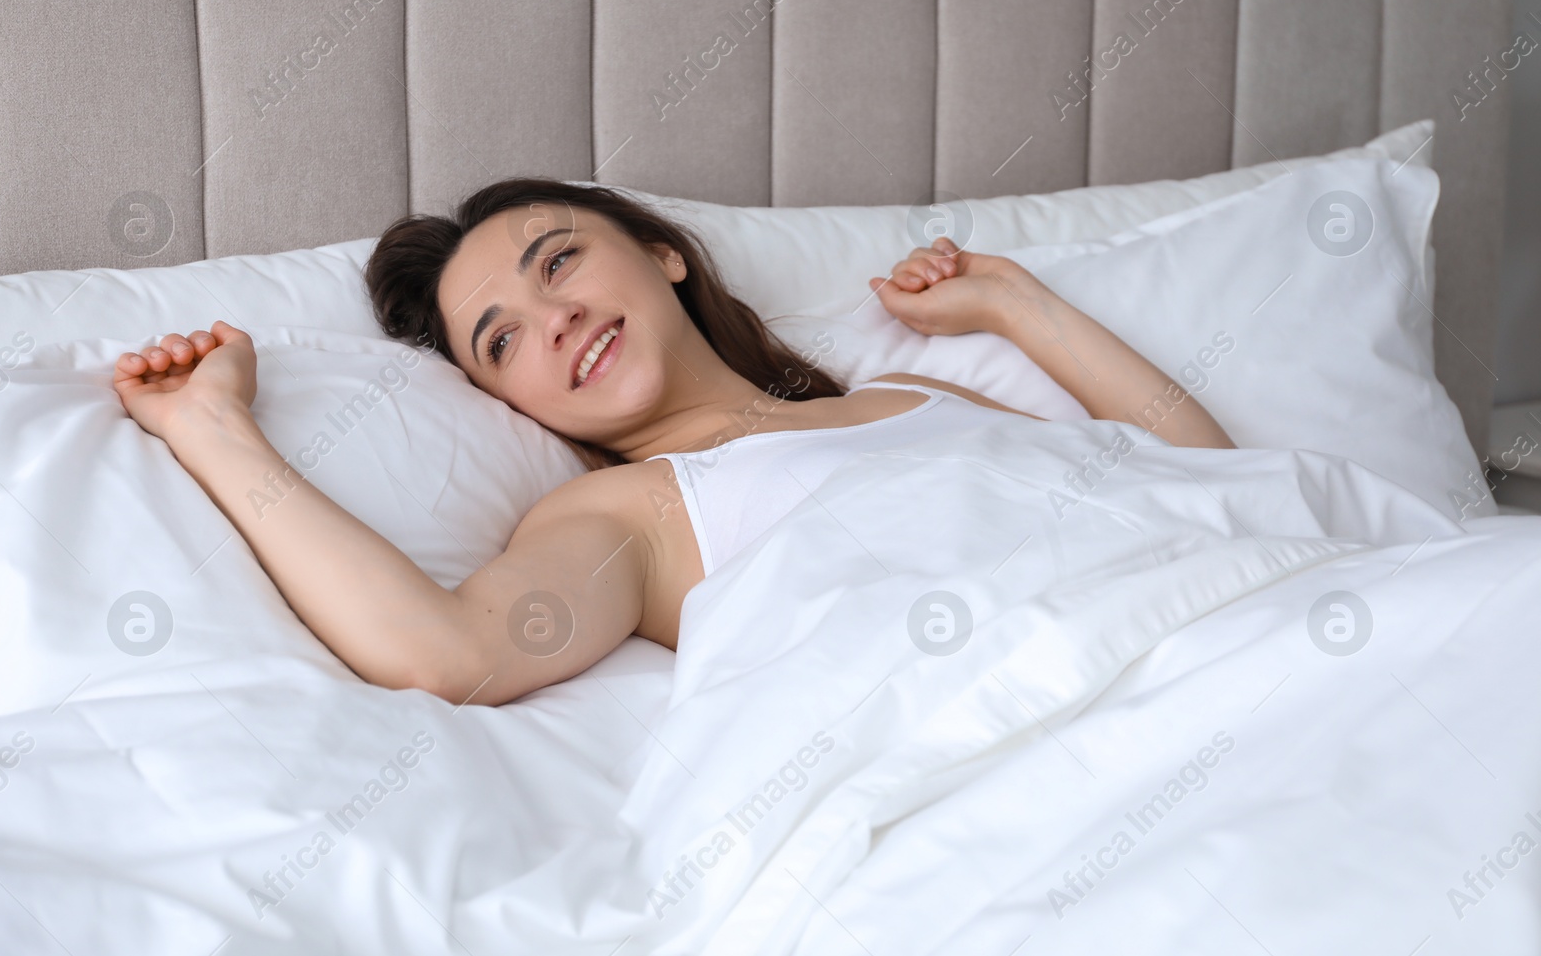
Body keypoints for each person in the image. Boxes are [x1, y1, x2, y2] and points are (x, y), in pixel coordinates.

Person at [111, 178, 1233, 708]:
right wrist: (214, 430)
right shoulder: (625, 515)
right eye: (502, 338)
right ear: (518, 404)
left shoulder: (912, 390)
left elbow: (1200, 482)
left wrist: (1016, 306)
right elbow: (444, 652)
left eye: (558, 262)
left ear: (663, 253)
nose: (552, 320)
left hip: (1222, 615)